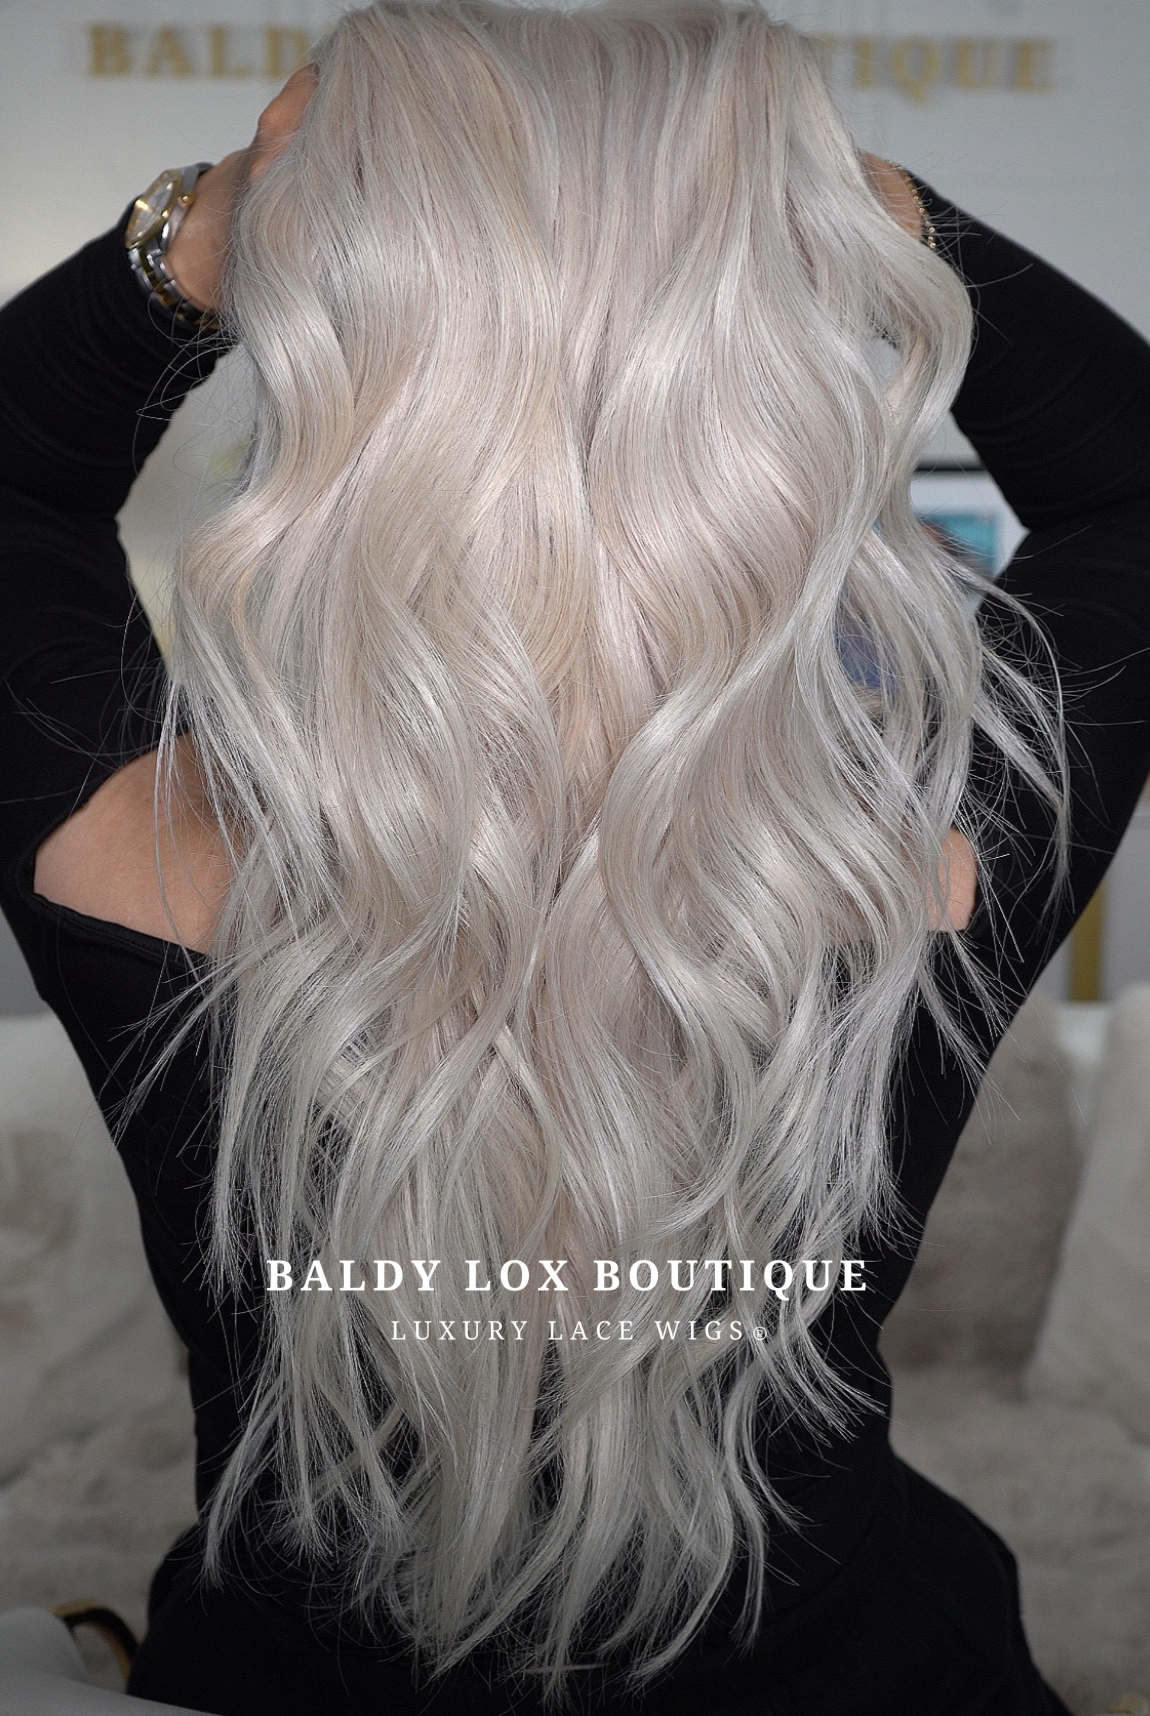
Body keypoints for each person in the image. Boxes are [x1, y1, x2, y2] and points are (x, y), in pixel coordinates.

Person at [1, 3, 1147, 1712]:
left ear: (336, 321)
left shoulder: (140, 851)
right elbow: (1129, 489)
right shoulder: (903, 866)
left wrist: (204, 229)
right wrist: (869, 209)